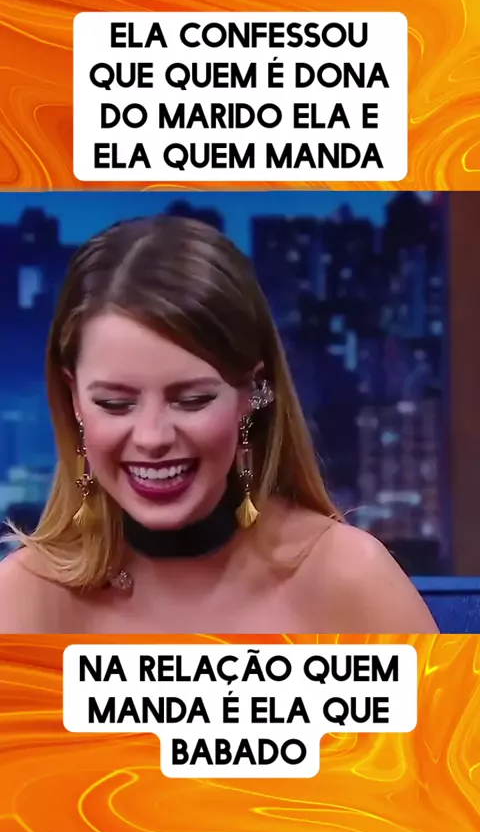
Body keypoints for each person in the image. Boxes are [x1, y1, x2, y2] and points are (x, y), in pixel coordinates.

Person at [0, 215, 437, 633]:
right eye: (115, 403)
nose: (153, 437)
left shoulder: (351, 581)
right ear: (74, 399)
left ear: (254, 391)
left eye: (192, 400)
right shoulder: (21, 598)